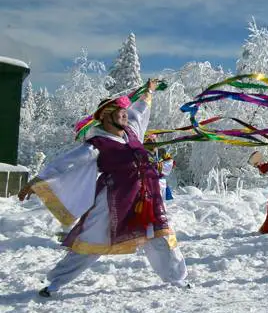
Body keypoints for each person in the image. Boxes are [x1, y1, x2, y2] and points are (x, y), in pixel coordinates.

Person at [18, 80, 190, 297]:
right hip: (114, 202)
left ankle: (178, 278)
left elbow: (140, 110)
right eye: (120, 113)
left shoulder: (132, 133)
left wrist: (149, 90)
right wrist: (37, 181)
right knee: (91, 242)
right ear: (106, 117)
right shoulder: (97, 144)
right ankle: (55, 283)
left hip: (147, 199)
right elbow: (66, 163)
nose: (125, 115)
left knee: (161, 236)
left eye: (124, 112)